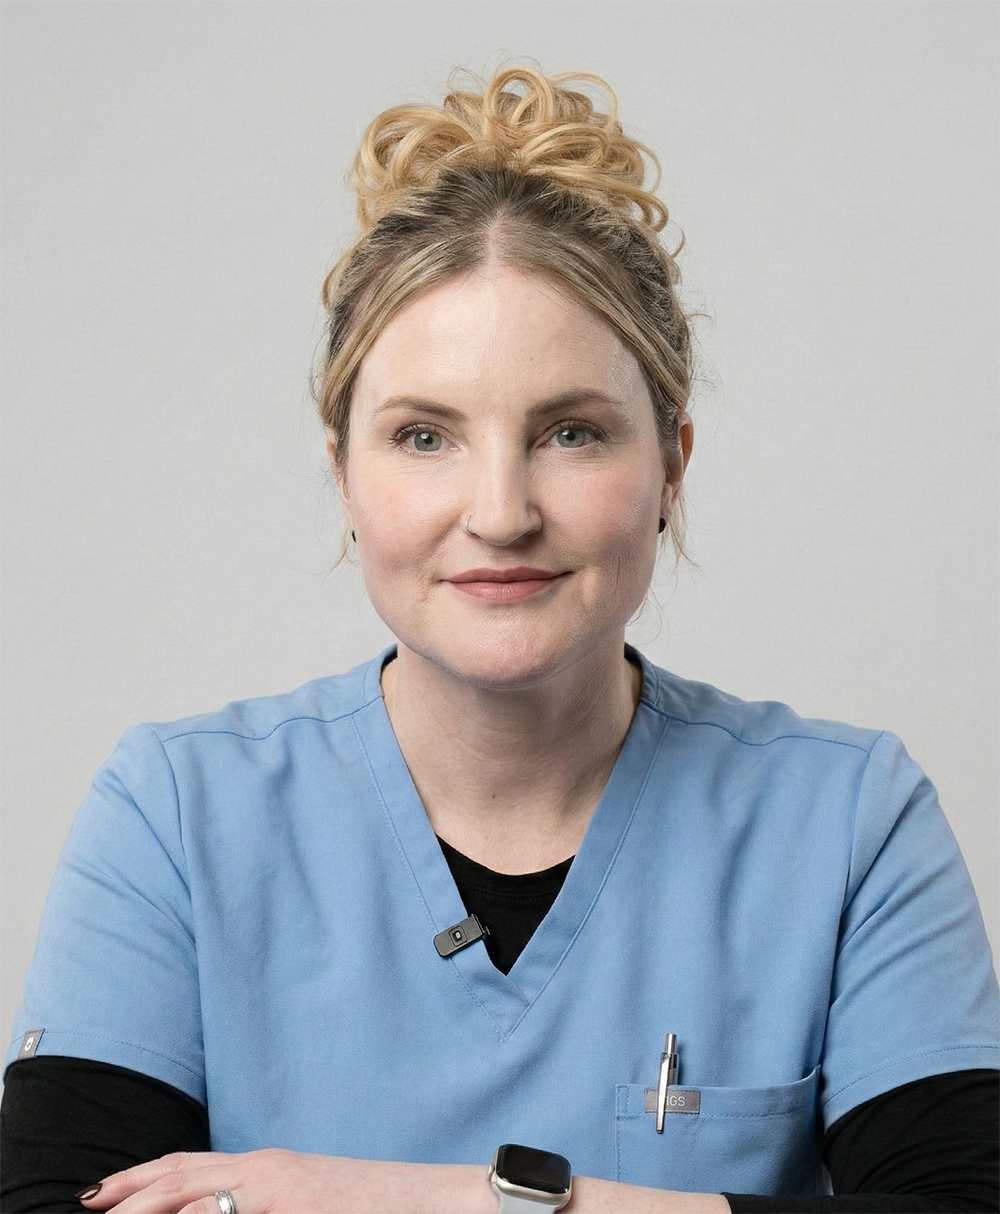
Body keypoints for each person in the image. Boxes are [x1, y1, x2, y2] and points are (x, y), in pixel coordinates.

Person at [2, 63, 997, 1214]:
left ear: (672, 462)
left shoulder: (849, 821)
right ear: (341, 474)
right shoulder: (174, 813)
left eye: (570, 431)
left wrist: (408, 1197)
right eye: (424, 437)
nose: (500, 509)